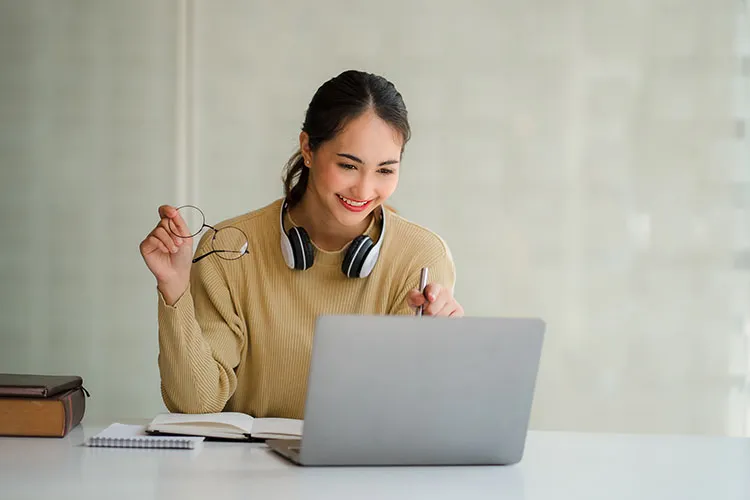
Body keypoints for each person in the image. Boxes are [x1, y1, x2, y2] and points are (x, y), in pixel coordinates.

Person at [139, 70, 463, 419]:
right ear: (308, 149)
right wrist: (175, 291)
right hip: (245, 469)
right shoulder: (230, 248)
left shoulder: (420, 258)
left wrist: (439, 354)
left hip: (362, 469)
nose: (365, 190)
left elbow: (408, 416)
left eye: (385, 171)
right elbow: (195, 404)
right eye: (348, 165)